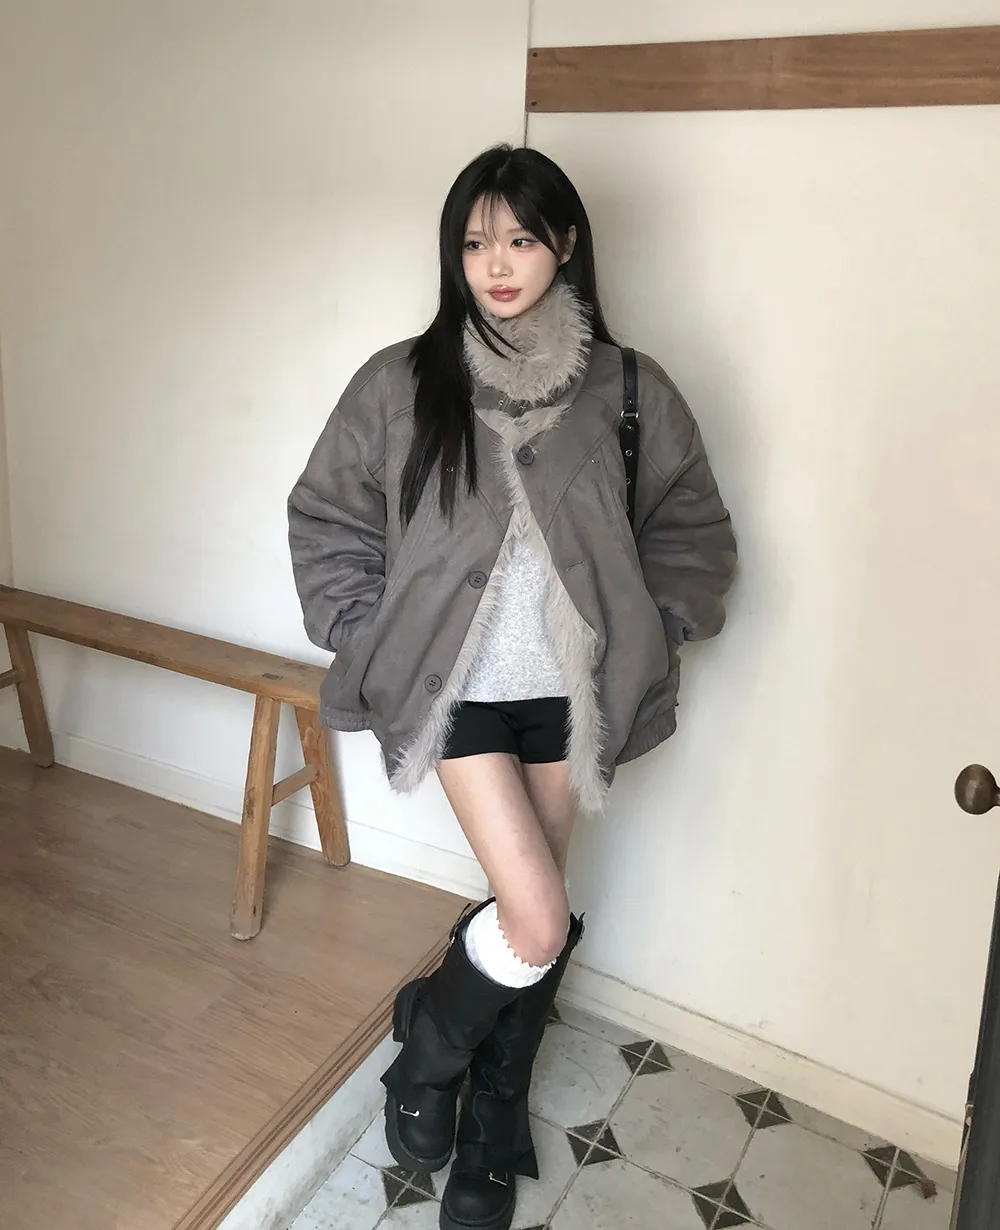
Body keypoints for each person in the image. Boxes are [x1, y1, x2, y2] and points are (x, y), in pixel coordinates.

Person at [288, 144, 736, 1230]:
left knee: (533, 913)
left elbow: (690, 523)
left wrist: (657, 627)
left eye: (522, 239)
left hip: (574, 699)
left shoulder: (631, 387)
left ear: (565, 244)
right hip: (452, 693)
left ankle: (494, 1112)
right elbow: (327, 517)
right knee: (534, 918)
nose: (496, 264)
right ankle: (425, 1060)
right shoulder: (401, 381)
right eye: (476, 241)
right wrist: (366, 634)